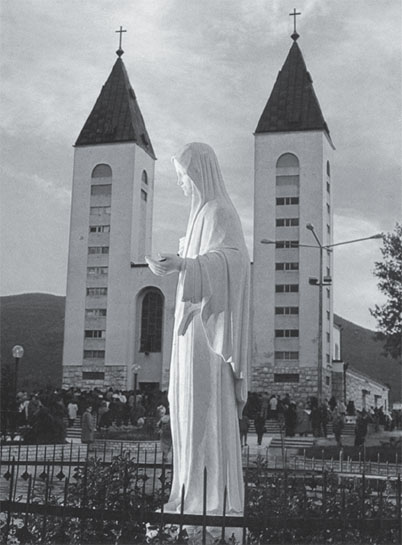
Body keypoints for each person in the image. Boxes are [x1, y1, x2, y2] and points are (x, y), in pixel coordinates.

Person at [146, 143, 250, 517]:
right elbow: (202, 263)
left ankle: (212, 500)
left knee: (205, 410)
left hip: (209, 340)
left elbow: (235, 263)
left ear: (201, 174)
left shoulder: (220, 212)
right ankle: (189, 493)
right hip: (189, 336)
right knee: (184, 407)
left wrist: (186, 265)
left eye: (184, 177)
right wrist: (177, 265)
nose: (182, 185)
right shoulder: (198, 218)